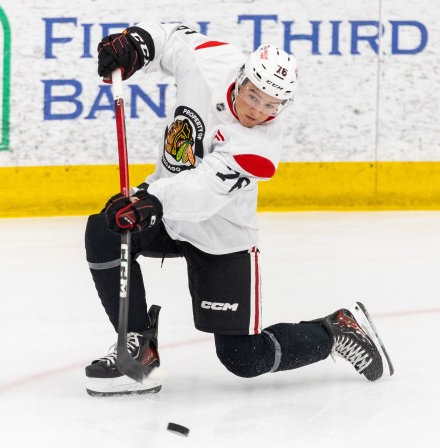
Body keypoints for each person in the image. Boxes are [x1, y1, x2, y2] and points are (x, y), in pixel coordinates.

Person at [84, 22, 393, 396]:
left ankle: (336, 330)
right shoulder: (212, 60)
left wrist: (151, 201)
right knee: (104, 231)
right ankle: (138, 353)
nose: (257, 110)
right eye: (252, 95)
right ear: (241, 77)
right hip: (166, 210)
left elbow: (203, 194)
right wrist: (138, 44)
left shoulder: (258, 147)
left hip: (220, 235)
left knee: (244, 359)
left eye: (271, 105)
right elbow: (171, 40)